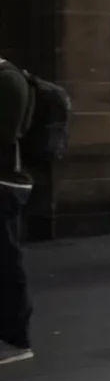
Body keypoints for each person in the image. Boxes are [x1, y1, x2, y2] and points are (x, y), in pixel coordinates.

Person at [0, 59, 30, 365]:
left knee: (6, 260)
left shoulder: (9, 81)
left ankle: (16, 339)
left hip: (5, 184)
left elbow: (5, 134)